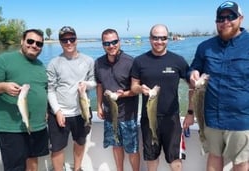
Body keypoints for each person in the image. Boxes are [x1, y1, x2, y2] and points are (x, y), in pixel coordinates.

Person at [188, 1, 249, 171]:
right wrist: (192, 74)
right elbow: (194, 68)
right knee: (214, 156)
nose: (225, 21)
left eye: (231, 16)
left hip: (242, 118)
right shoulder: (205, 47)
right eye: (220, 18)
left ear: (241, 19)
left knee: (241, 162)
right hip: (211, 116)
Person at [131, 24, 194, 171]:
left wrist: (190, 112)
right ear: (150, 39)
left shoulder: (177, 60)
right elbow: (133, 86)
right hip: (149, 118)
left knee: (175, 159)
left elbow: (193, 85)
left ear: (168, 39)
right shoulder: (139, 61)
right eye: (155, 38)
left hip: (171, 118)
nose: (159, 41)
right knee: (151, 158)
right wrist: (140, 88)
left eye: (163, 38)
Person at [0, 29, 49, 171]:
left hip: (37, 126)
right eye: (30, 41)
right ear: (22, 41)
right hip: (11, 129)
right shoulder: (3, 60)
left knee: (33, 163)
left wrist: (45, 110)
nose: (34, 45)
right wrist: (3, 86)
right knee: (16, 167)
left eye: (39, 43)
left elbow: (43, 89)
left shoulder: (40, 65)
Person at [47, 26, 96, 171]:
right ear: (60, 42)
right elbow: (50, 90)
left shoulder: (88, 60)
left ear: (76, 40)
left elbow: (94, 82)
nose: (68, 42)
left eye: (71, 39)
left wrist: (86, 85)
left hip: (82, 112)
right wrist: (57, 111)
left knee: (80, 143)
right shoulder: (53, 63)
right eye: (64, 40)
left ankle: (77, 168)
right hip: (59, 113)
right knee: (57, 148)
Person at [94, 28, 140, 171]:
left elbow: (136, 89)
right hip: (109, 115)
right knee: (116, 146)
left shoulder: (131, 62)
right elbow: (100, 85)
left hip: (128, 115)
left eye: (114, 42)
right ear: (103, 45)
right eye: (107, 43)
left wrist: (122, 94)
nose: (111, 46)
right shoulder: (99, 63)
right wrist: (99, 105)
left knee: (132, 149)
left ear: (119, 42)